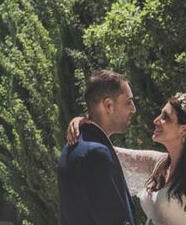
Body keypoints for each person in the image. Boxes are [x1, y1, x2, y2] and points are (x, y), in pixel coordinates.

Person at [67, 92, 186, 225]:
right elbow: (109, 153)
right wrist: (84, 126)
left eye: (165, 117)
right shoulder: (159, 164)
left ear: (185, 129)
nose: (156, 120)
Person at [58, 69, 138, 225]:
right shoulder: (96, 154)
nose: (133, 109)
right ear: (108, 105)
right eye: (128, 102)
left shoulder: (71, 146)